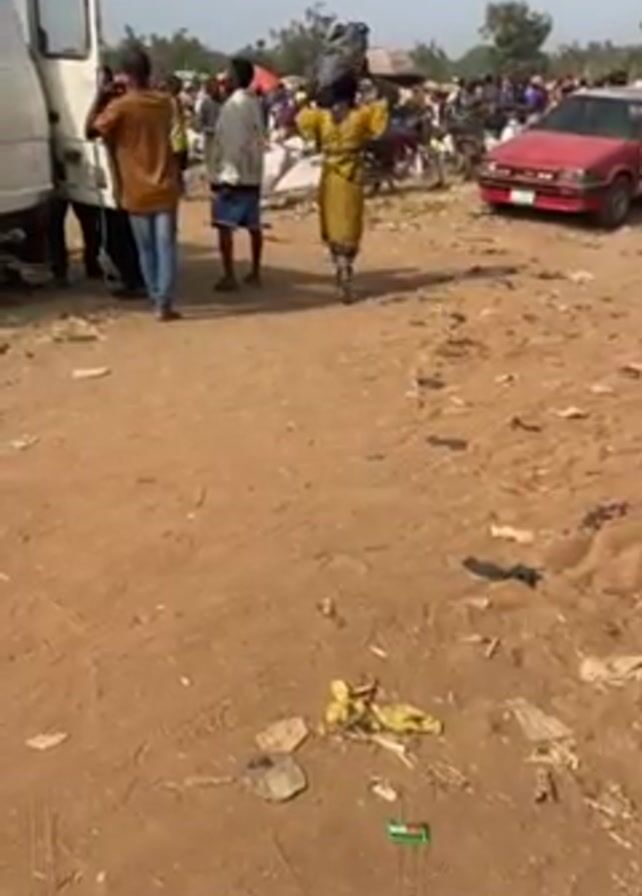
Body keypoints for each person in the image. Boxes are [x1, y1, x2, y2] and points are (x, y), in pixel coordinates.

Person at [86, 46, 181, 322]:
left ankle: (154, 296)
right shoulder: (165, 103)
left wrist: (102, 96)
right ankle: (164, 303)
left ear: (125, 75)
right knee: (166, 247)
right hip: (165, 186)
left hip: (136, 189)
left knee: (146, 249)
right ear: (148, 72)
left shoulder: (120, 107)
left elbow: (90, 130)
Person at [297, 73, 388, 302]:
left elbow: (301, 118)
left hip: (330, 177)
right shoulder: (360, 116)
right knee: (350, 223)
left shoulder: (321, 117)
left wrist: (309, 93)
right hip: (351, 177)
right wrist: (373, 81)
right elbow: (380, 119)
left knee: (332, 223)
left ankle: (339, 265)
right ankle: (346, 266)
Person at [211, 57, 265, 291]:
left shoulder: (233, 107)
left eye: (228, 74)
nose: (225, 78)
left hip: (233, 175)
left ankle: (229, 275)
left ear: (235, 78)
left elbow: (233, 143)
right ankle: (255, 271)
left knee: (224, 226)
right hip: (252, 174)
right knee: (253, 226)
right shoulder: (254, 103)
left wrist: (226, 175)